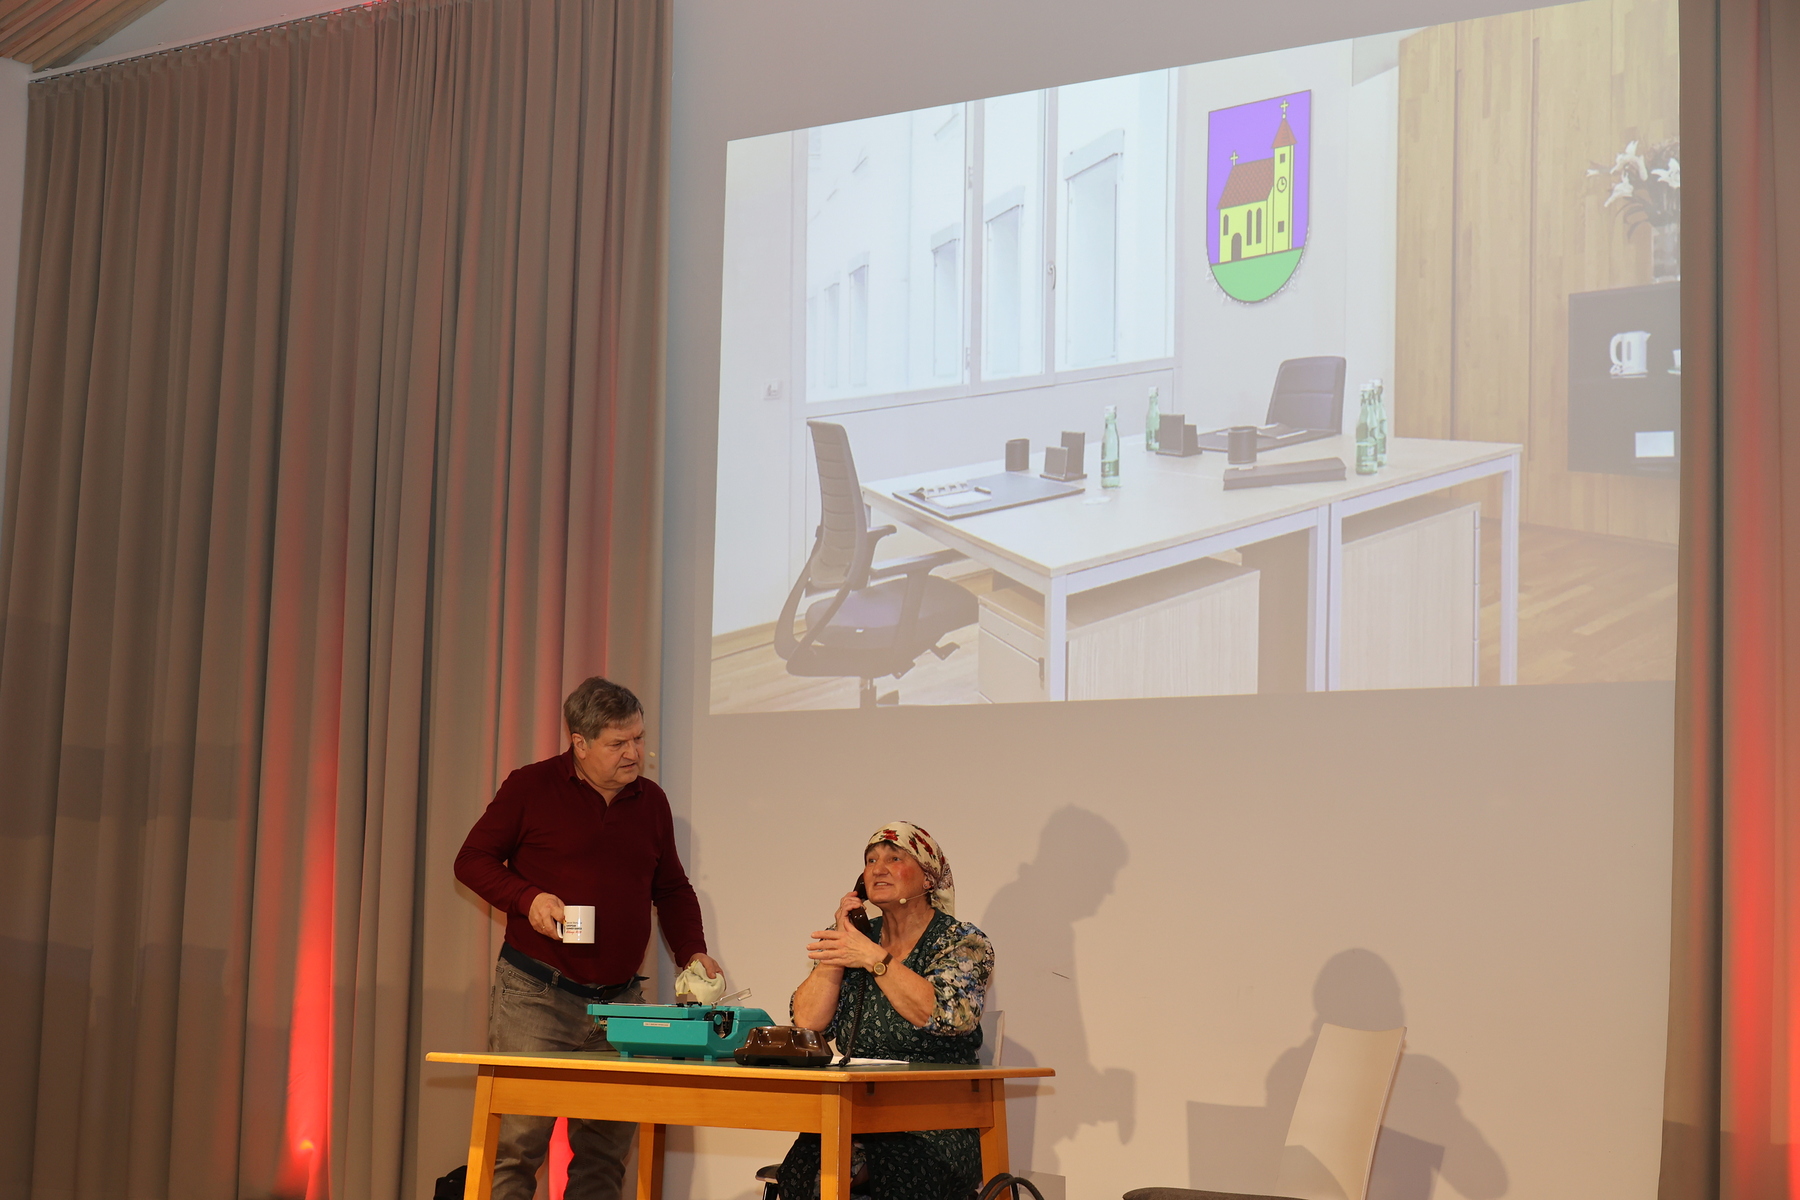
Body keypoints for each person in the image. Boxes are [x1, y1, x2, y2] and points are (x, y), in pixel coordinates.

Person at [454, 676, 723, 1200]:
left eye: (638, 739)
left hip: (619, 1006)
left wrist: (693, 950)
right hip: (535, 996)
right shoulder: (530, 787)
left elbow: (671, 888)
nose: (634, 754)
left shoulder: (651, 802)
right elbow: (471, 860)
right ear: (579, 742)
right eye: (618, 743)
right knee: (517, 1149)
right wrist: (528, 897)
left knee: (604, 1156)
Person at [780, 822, 994, 1200]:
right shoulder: (857, 940)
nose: (878, 869)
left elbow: (946, 1014)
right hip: (856, 1114)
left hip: (936, 1120)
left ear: (928, 878)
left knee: (898, 1176)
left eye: (895, 859)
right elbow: (808, 1023)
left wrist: (875, 959)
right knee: (803, 1174)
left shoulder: (962, 941)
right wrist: (840, 943)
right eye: (870, 860)